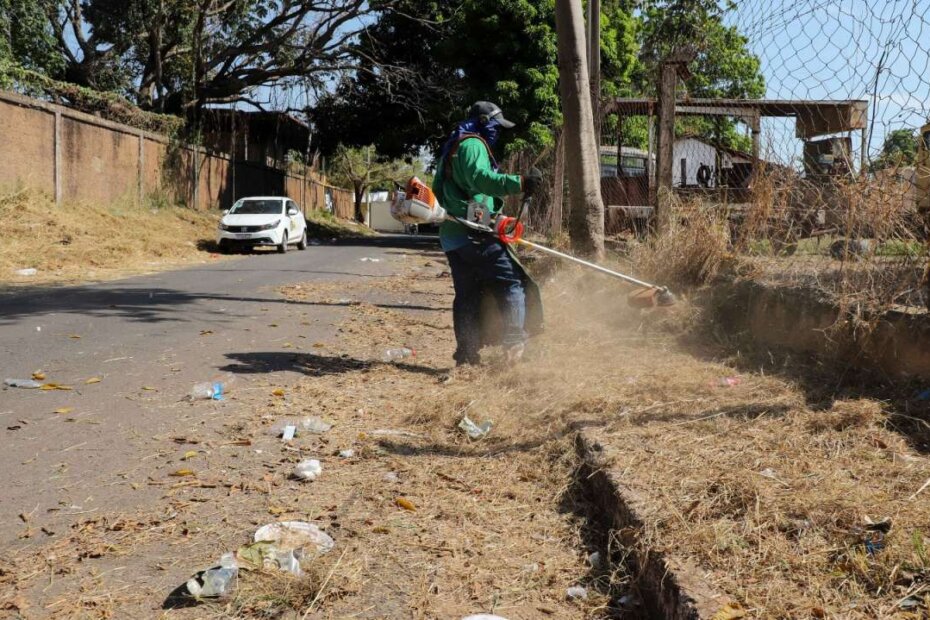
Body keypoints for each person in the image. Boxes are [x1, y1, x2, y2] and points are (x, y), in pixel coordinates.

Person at [432, 101, 543, 366]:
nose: (498, 133)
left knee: (468, 294)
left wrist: (485, 215)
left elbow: (442, 189)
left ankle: (467, 356)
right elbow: (480, 179)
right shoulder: (472, 144)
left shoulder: (452, 145)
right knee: (511, 283)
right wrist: (520, 182)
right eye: (496, 126)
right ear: (484, 122)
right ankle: (514, 347)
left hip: (454, 236)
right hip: (474, 236)